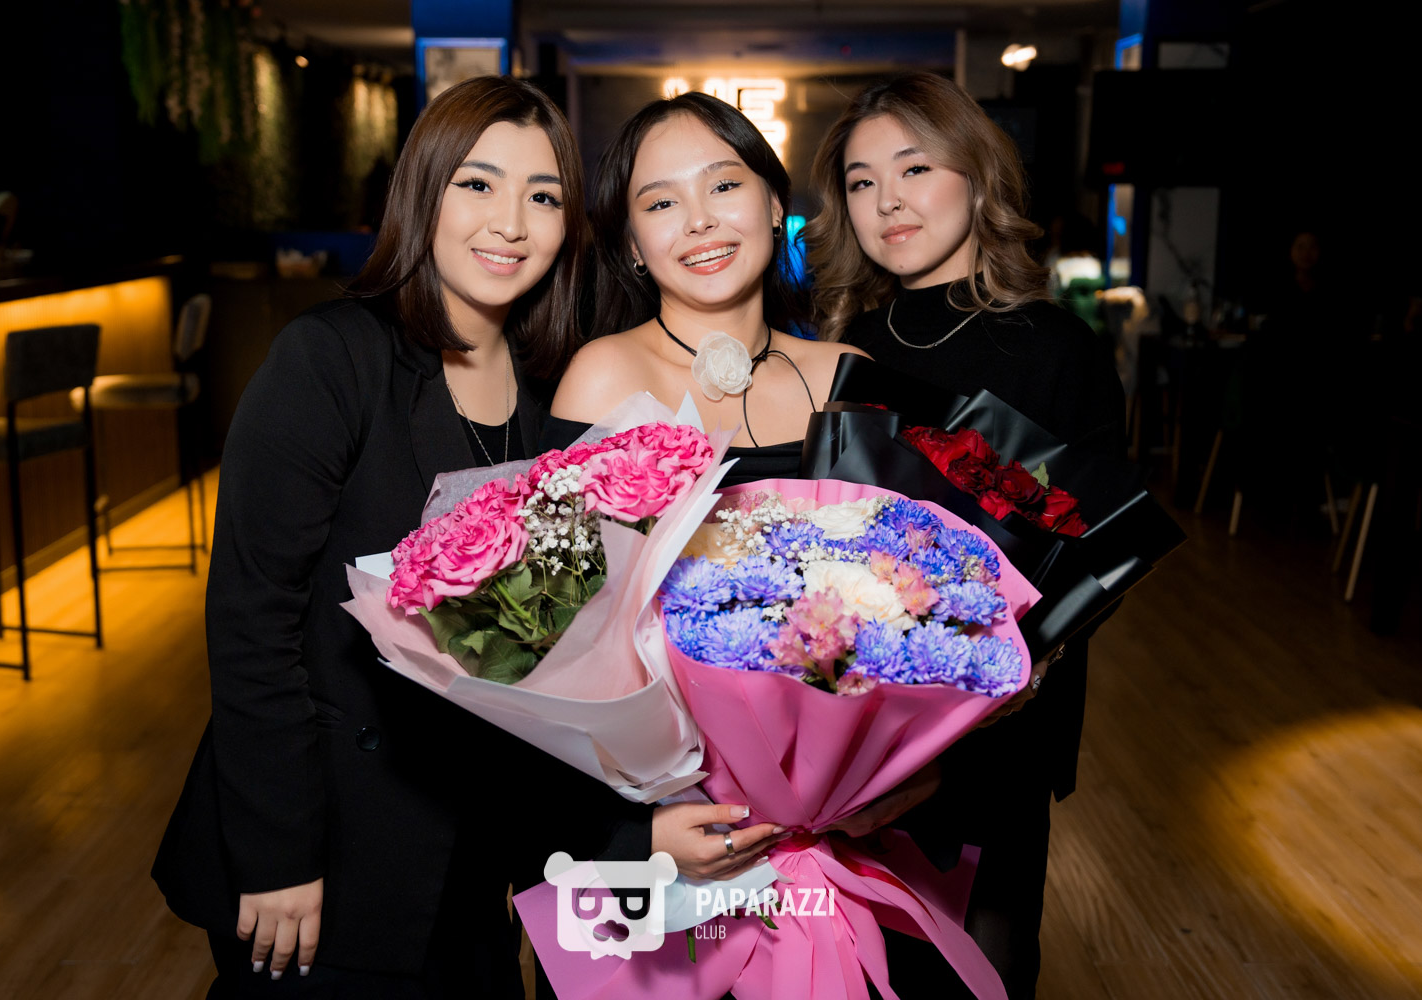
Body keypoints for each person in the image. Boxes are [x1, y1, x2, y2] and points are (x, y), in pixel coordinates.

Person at [152, 75, 629, 998]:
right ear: (424, 191)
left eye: (543, 198)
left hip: (470, 850)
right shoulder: (331, 357)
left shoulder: (556, 391)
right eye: (477, 184)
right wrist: (280, 854)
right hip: (323, 846)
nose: (510, 224)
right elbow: (252, 619)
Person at [804, 72, 1126, 1000]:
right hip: (854, 743)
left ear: (978, 176)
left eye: (915, 168)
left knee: (980, 974)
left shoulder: (1057, 348)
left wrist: (960, 731)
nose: (888, 201)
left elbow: (1092, 558)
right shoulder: (843, 346)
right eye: (862, 181)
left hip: (992, 743)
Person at [548, 91, 868, 483]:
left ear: (774, 205)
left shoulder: (844, 378)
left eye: (723, 186)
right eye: (662, 204)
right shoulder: (604, 380)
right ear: (634, 245)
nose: (699, 221)